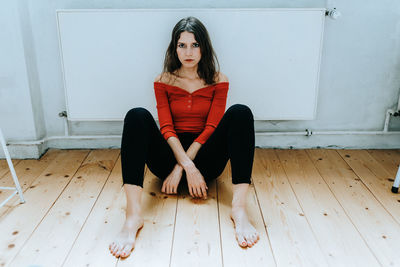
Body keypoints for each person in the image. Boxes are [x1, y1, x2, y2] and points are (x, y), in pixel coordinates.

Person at [109, 16, 259, 258]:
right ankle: (133, 216)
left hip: (206, 162)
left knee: (241, 113)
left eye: (195, 45)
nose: (188, 52)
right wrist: (182, 166)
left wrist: (188, 167)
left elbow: (211, 126)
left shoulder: (219, 80)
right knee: (136, 116)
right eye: (182, 45)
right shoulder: (163, 80)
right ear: (174, 48)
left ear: (204, 47)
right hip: (167, 161)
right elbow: (166, 127)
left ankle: (239, 209)